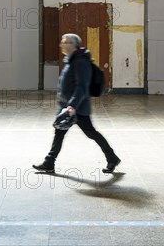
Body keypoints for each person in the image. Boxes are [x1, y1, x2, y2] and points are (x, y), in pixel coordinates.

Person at [33, 33, 121, 174]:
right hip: (68, 107)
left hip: (77, 108)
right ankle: (49, 162)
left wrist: (72, 105)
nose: (61, 44)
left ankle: (112, 158)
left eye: (64, 42)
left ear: (73, 45)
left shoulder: (80, 61)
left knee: (91, 133)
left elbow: (82, 86)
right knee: (59, 132)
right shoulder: (72, 60)